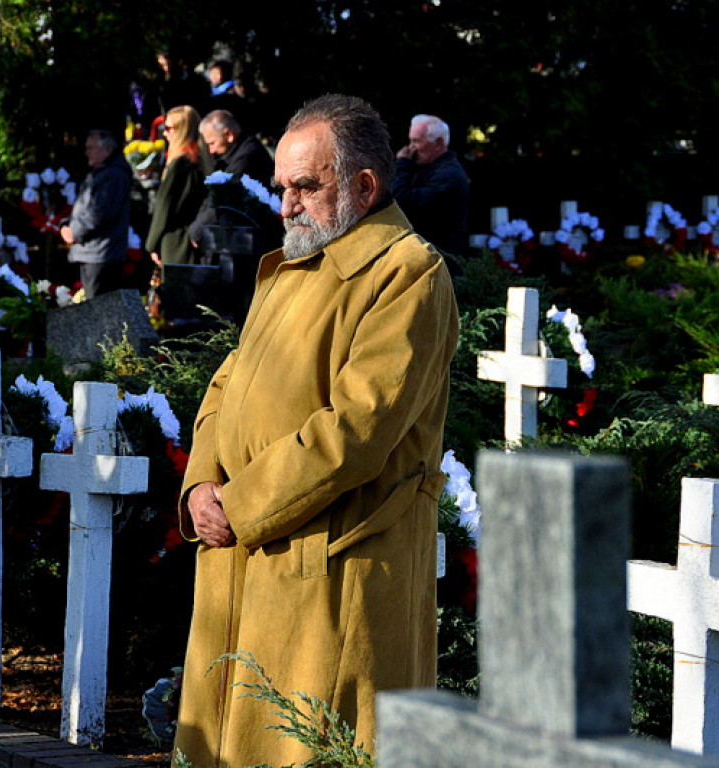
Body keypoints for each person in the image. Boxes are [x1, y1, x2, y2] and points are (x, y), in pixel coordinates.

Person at [172, 93, 459, 768]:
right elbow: (226, 384)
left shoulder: (408, 275)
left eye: (306, 185)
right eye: (282, 186)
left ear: (365, 185)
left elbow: (356, 430)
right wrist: (199, 488)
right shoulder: (291, 267)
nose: (286, 205)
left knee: (309, 746)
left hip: (330, 573)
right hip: (241, 559)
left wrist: (237, 507)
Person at [59, 129, 132, 299]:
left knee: (98, 307)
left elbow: (98, 213)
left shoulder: (113, 175)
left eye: (91, 148)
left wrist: (73, 232)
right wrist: (66, 224)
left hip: (101, 253)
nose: (87, 152)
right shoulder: (102, 173)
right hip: (94, 252)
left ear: (106, 150)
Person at [187, 109, 274, 249]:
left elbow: (221, 195)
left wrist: (197, 231)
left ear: (228, 135)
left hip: (253, 239)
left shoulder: (247, 157)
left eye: (212, 143)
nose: (211, 151)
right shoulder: (234, 154)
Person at [393, 114, 470, 261]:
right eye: (410, 141)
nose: (411, 148)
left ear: (439, 143)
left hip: (441, 259)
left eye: (416, 141)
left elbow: (402, 201)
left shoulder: (449, 175)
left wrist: (402, 165)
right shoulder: (427, 169)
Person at [145, 105, 206, 265]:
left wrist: (151, 244)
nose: (164, 133)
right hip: (191, 239)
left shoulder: (180, 164)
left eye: (168, 128)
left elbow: (164, 207)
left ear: (181, 130)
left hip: (175, 241)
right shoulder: (200, 158)